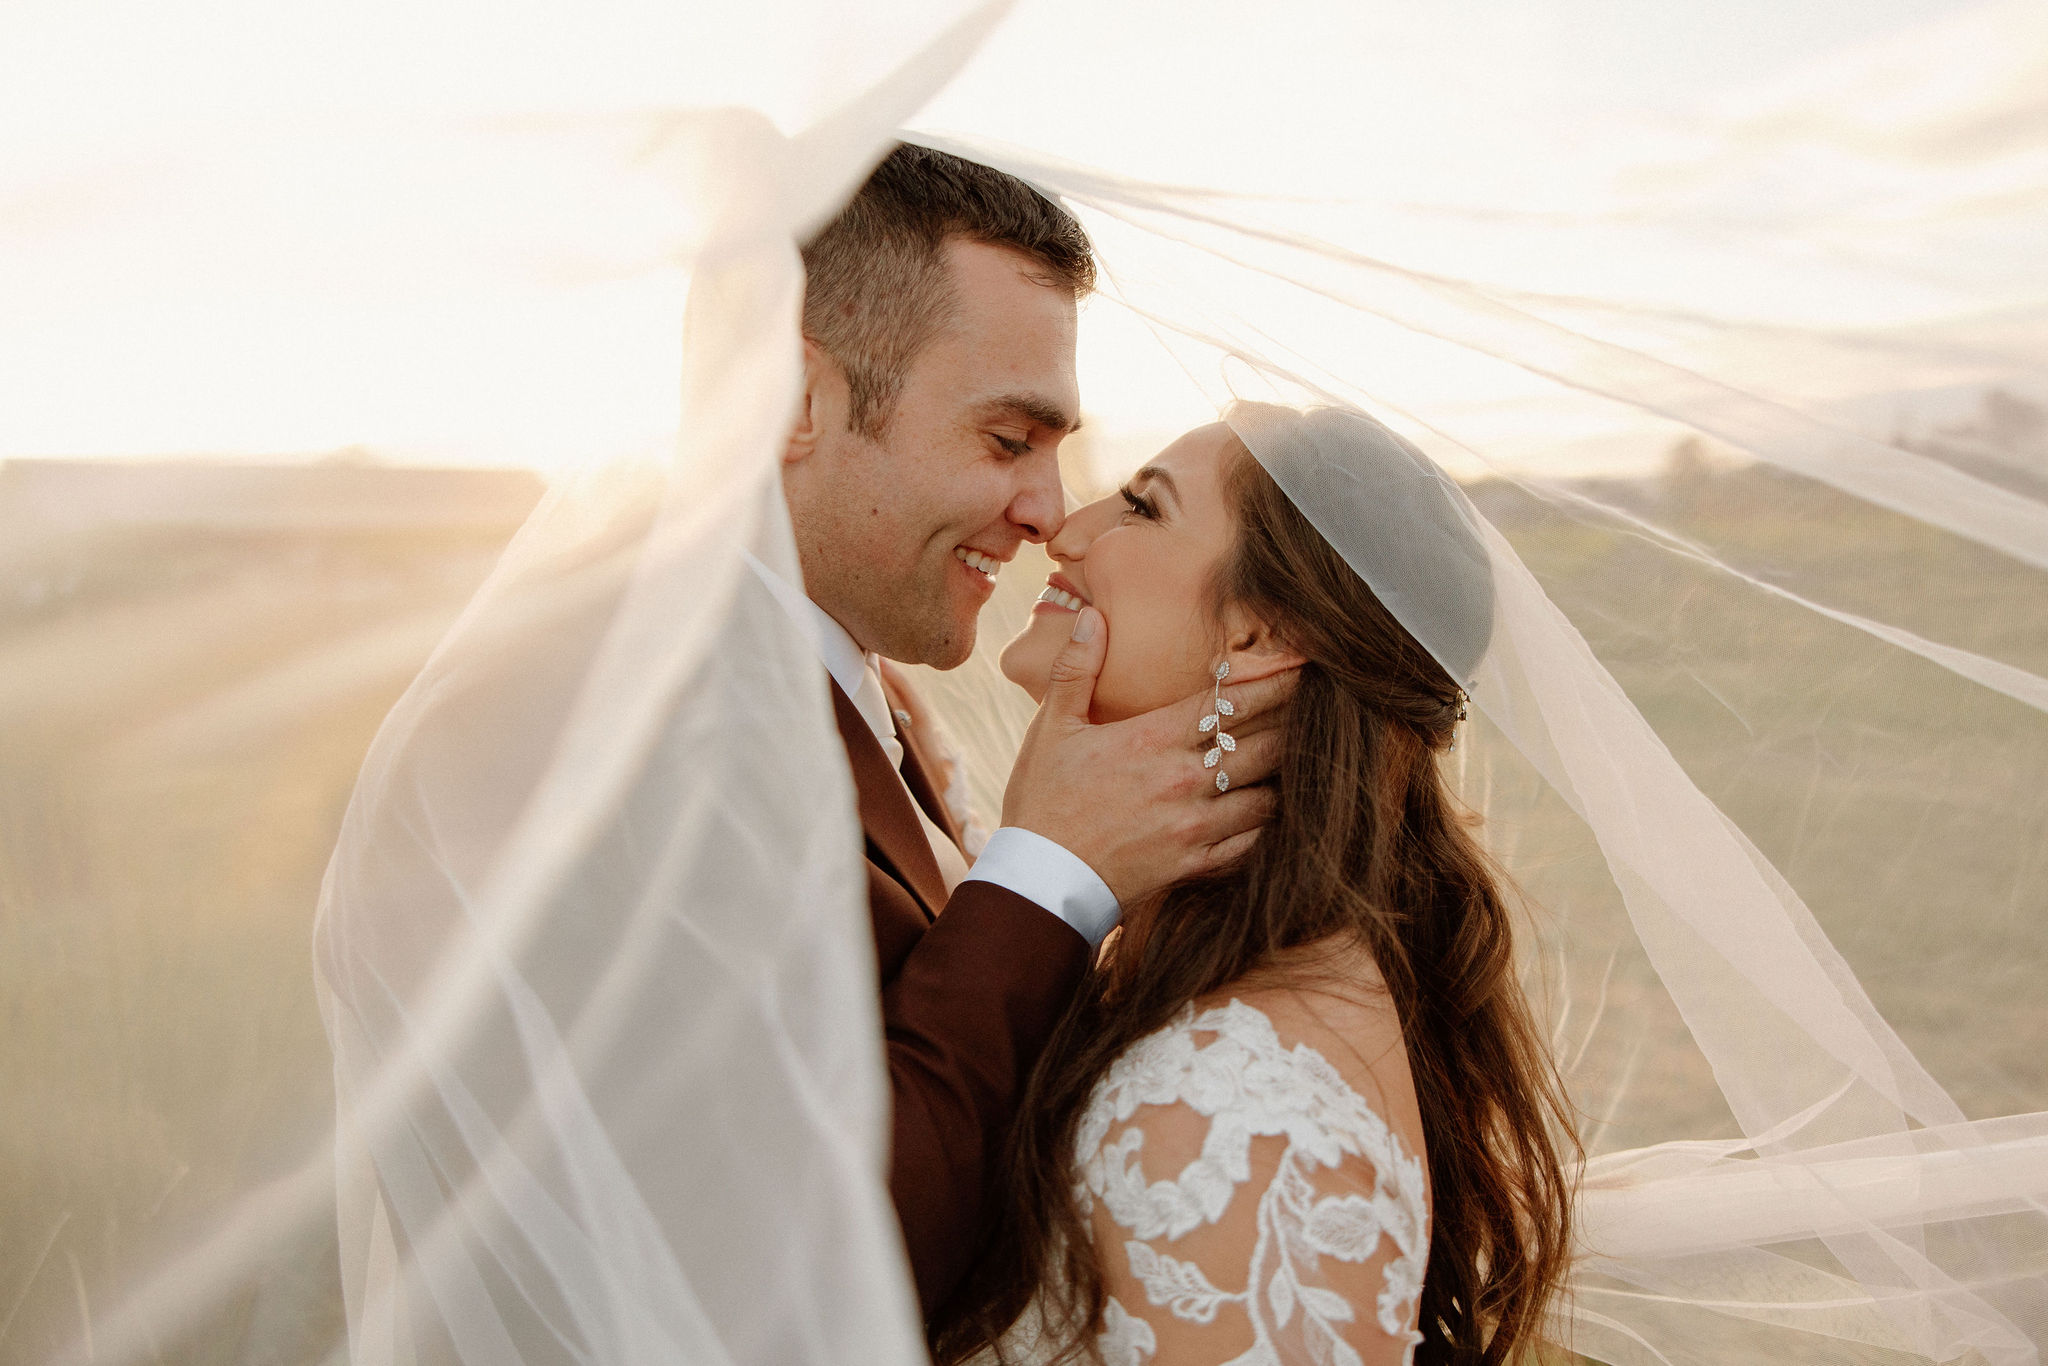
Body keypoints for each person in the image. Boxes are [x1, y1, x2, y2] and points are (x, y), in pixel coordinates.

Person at [930, 409, 1578, 1365]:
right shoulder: (1228, 974)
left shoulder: (1229, 1123)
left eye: (1143, 508)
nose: (1068, 529)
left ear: (1260, 633)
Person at [774, 144, 1295, 1317]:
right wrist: (1047, 869)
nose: (1053, 514)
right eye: (1009, 441)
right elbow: (808, 1272)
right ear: (796, 400)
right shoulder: (674, 738)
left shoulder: (871, 689)